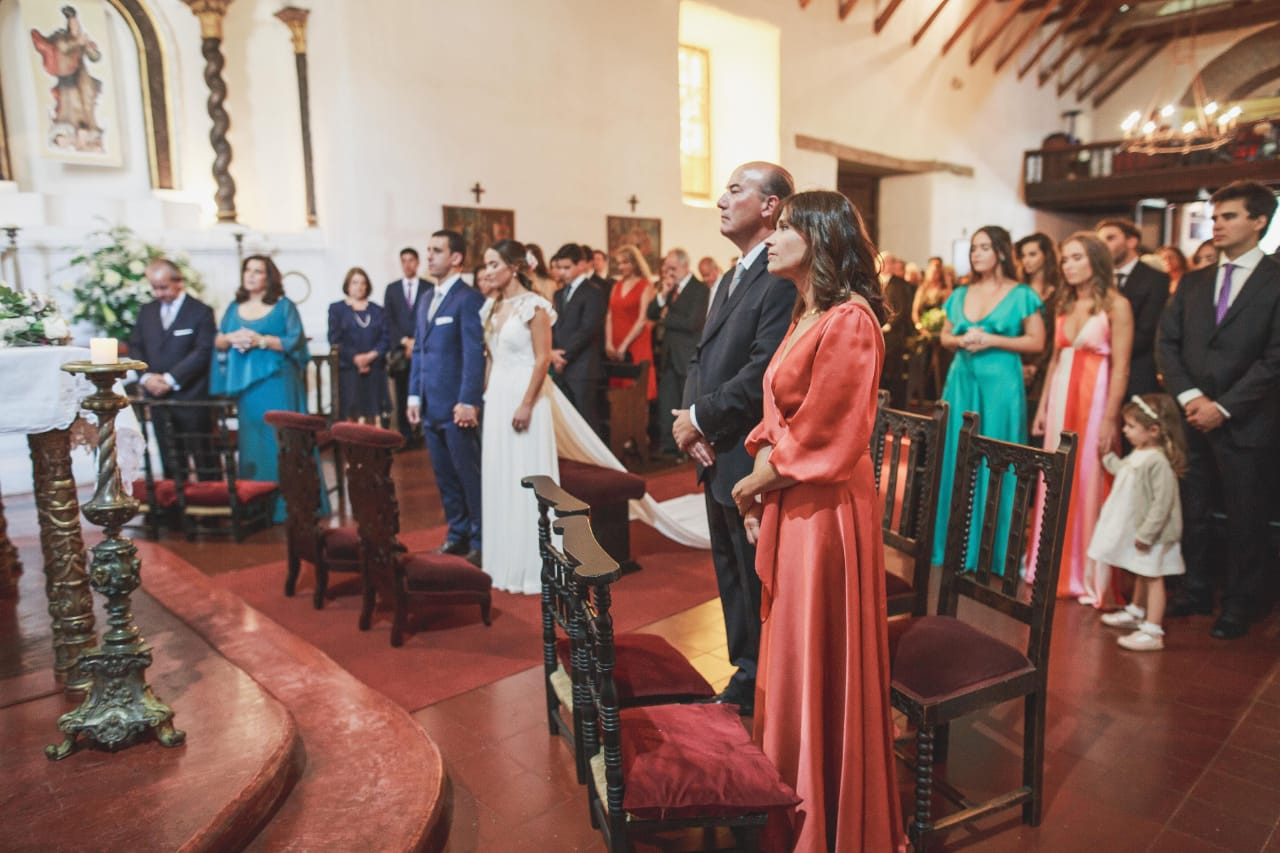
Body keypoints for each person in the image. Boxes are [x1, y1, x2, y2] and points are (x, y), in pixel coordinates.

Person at [729, 190, 903, 853]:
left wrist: (755, 483)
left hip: (826, 508)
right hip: (795, 494)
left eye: (784, 227)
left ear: (820, 237)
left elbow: (831, 429)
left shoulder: (851, 320)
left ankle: (829, 814)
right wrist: (762, 477)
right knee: (794, 646)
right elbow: (779, 415)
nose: (770, 237)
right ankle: (791, 793)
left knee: (818, 647)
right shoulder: (810, 312)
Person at [672, 161, 796, 712]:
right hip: (715, 446)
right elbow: (700, 358)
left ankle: (763, 681)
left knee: (753, 575)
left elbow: (763, 370)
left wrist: (700, 418)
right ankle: (745, 671)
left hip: (749, 449)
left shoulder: (780, 275)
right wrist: (689, 420)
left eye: (735, 190)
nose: (721, 200)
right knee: (728, 570)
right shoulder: (730, 277)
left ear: (770, 206)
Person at [1159, 180, 1280, 640]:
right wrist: (1191, 398)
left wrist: (1224, 408)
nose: (1217, 225)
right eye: (1215, 217)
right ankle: (1196, 588)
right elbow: (1168, 344)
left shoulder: (1275, 279)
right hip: (1193, 416)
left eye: (1229, 216)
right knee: (1195, 509)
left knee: (1247, 516)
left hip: (1248, 420)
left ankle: (1241, 603)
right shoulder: (1195, 281)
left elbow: (1275, 358)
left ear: (1259, 221)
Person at [1028, 233, 1133, 607]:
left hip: (1096, 399)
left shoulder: (1117, 305)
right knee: (1055, 477)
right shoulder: (1065, 303)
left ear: (1096, 260)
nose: (1068, 265)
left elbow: (1122, 367)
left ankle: (1087, 573)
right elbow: (1055, 360)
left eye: (1077, 258)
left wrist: (1110, 418)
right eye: (1065, 259)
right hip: (1060, 398)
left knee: (1090, 479)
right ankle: (1051, 565)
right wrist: (1042, 408)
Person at [932, 226, 1045, 572]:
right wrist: (960, 340)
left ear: (1000, 251)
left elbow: (1036, 342)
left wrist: (992, 340)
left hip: (1001, 382)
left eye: (984, 247)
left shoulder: (1021, 293)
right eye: (973, 249)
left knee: (998, 455)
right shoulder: (960, 292)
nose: (976, 254)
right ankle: (953, 544)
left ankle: (995, 551)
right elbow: (944, 335)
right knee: (956, 452)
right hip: (962, 378)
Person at [478, 240, 557, 594]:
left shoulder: (534, 306)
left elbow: (543, 359)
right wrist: (485, 396)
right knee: (501, 474)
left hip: (526, 395)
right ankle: (502, 560)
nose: (487, 271)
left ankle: (531, 563)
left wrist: (526, 403)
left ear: (513, 267)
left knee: (525, 473)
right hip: (497, 396)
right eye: (486, 265)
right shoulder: (491, 307)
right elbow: (491, 357)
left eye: (494, 264)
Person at [210, 255, 314, 523]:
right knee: (254, 442)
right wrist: (231, 337)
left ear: (270, 277)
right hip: (248, 389)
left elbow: (295, 341)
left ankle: (292, 503)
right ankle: (256, 507)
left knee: (282, 441)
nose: (251, 275)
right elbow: (219, 340)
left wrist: (262, 341)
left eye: (258, 271)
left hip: (279, 381)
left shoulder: (284, 306)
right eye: (248, 270)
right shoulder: (234, 307)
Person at [407, 230, 485, 566]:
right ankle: (457, 533)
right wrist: (413, 395)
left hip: (456, 406)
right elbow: (419, 351)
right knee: (444, 476)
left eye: (436, 250)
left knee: (468, 474)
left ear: (456, 258)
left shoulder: (468, 299)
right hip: (429, 403)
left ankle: (481, 539)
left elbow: (473, 354)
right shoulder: (426, 298)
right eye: (428, 250)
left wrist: (468, 399)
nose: (429, 256)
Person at [1092, 394, 1188, 651]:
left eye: (1131, 426)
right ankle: (1136, 611)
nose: (1125, 430)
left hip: (1155, 534)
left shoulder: (1158, 462)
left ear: (1153, 430)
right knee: (1141, 571)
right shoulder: (1140, 453)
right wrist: (1107, 458)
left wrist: (1147, 533)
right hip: (1142, 530)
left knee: (1153, 577)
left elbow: (1162, 503)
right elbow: (1125, 471)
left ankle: (1153, 631)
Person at [129, 258, 217, 479]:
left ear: (179, 282)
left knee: (204, 458)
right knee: (170, 459)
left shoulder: (200, 311)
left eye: (164, 287)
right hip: (157, 398)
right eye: (155, 288)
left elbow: (203, 350)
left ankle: (211, 499)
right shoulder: (147, 311)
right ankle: (175, 499)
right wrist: (146, 377)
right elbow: (136, 346)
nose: (159, 293)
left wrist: (170, 379)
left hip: (191, 396)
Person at [1096, 218, 1168, 397]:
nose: (1104, 246)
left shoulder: (1155, 279)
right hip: (1097, 371)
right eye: (1101, 241)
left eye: (1110, 238)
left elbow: (1147, 331)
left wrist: (1101, 347)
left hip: (1136, 372)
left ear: (1131, 241)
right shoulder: (1097, 280)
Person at [647, 248, 708, 457]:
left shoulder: (699, 289)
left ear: (684, 266)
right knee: (667, 401)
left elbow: (693, 322)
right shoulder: (669, 289)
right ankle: (668, 446)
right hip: (668, 355)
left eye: (672, 268)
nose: (669, 273)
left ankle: (688, 447)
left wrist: (666, 318)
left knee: (686, 402)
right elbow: (650, 313)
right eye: (666, 268)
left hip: (687, 354)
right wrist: (663, 295)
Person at [549, 243, 607, 435]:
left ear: (581, 264)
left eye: (567, 267)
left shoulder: (593, 292)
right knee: (565, 419)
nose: (562, 272)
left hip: (582, 365)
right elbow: (555, 325)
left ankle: (591, 455)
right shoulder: (559, 294)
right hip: (560, 364)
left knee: (585, 419)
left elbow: (588, 329)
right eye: (559, 268)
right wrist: (553, 352)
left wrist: (564, 356)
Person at [328, 267, 389, 422]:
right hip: (348, 370)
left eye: (363, 283)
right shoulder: (337, 309)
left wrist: (370, 356)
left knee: (374, 416)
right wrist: (356, 359)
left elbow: (386, 337)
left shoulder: (377, 310)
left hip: (374, 368)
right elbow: (335, 338)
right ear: (347, 285)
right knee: (351, 415)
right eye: (355, 282)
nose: (359, 286)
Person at [1016, 233, 1061, 439]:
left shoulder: (1059, 292)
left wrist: (1036, 365)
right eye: (1023, 255)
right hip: (1017, 363)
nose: (1026, 260)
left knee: (1041, 425)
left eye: (1032, 254)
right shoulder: (1017, 291)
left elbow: (1056, 335)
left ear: (1046, 256)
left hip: (1049, 365)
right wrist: (1022, 364)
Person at [384, 247, 427, 447]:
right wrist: (404, 341)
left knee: (423, 391)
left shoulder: (428, 287)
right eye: (404, 260)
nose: (408, 264)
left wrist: (417, 342)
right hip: (401, 352)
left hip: (423, 348)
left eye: (411, 260)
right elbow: (388, 320)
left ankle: (422, 433)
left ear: (417, 263)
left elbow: (428, 318)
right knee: (402, 394)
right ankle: (405, 435)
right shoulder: (392, 289)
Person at [605, 244, 658, 400]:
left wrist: (624, 345)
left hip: (636, 342)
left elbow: (642, 319)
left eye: (625, 262)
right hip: (616, 341)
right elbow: (609, 315)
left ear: (634, 263)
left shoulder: (645, 285)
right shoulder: (616, 286)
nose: (621, 267)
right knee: (618, 395)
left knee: (636, 392)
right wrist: (608, 342)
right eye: (619, 263)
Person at [878, 251, 915, 408]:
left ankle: (897, 407)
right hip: (878, 335)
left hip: (894, 336)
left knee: (895, 373)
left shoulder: (899, 284)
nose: (884, 265)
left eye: (888, 262)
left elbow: (901, 309)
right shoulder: (875, 281)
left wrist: (889, 325)